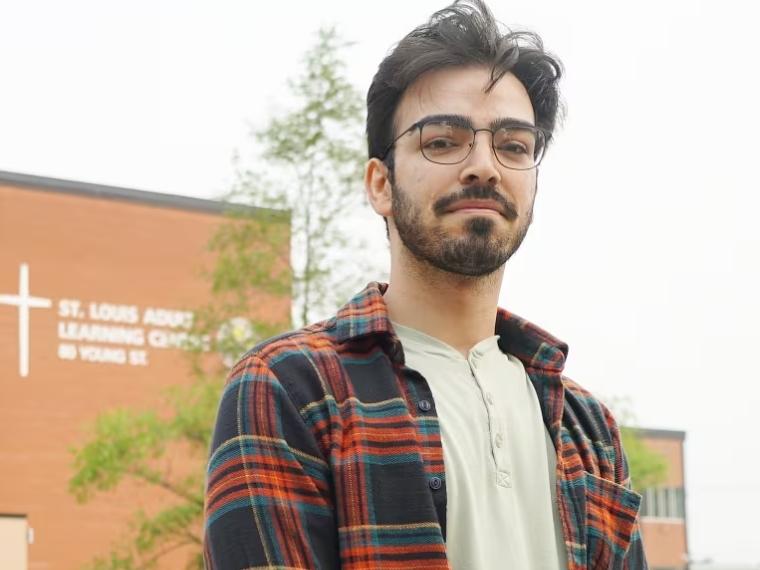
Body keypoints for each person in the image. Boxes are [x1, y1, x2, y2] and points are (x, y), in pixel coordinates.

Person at [204, 1, 647, 568]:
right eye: (442, 140)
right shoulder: (292, 389)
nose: (484, 165)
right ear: (381, 184)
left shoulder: (589, 427)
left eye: (513, 146)